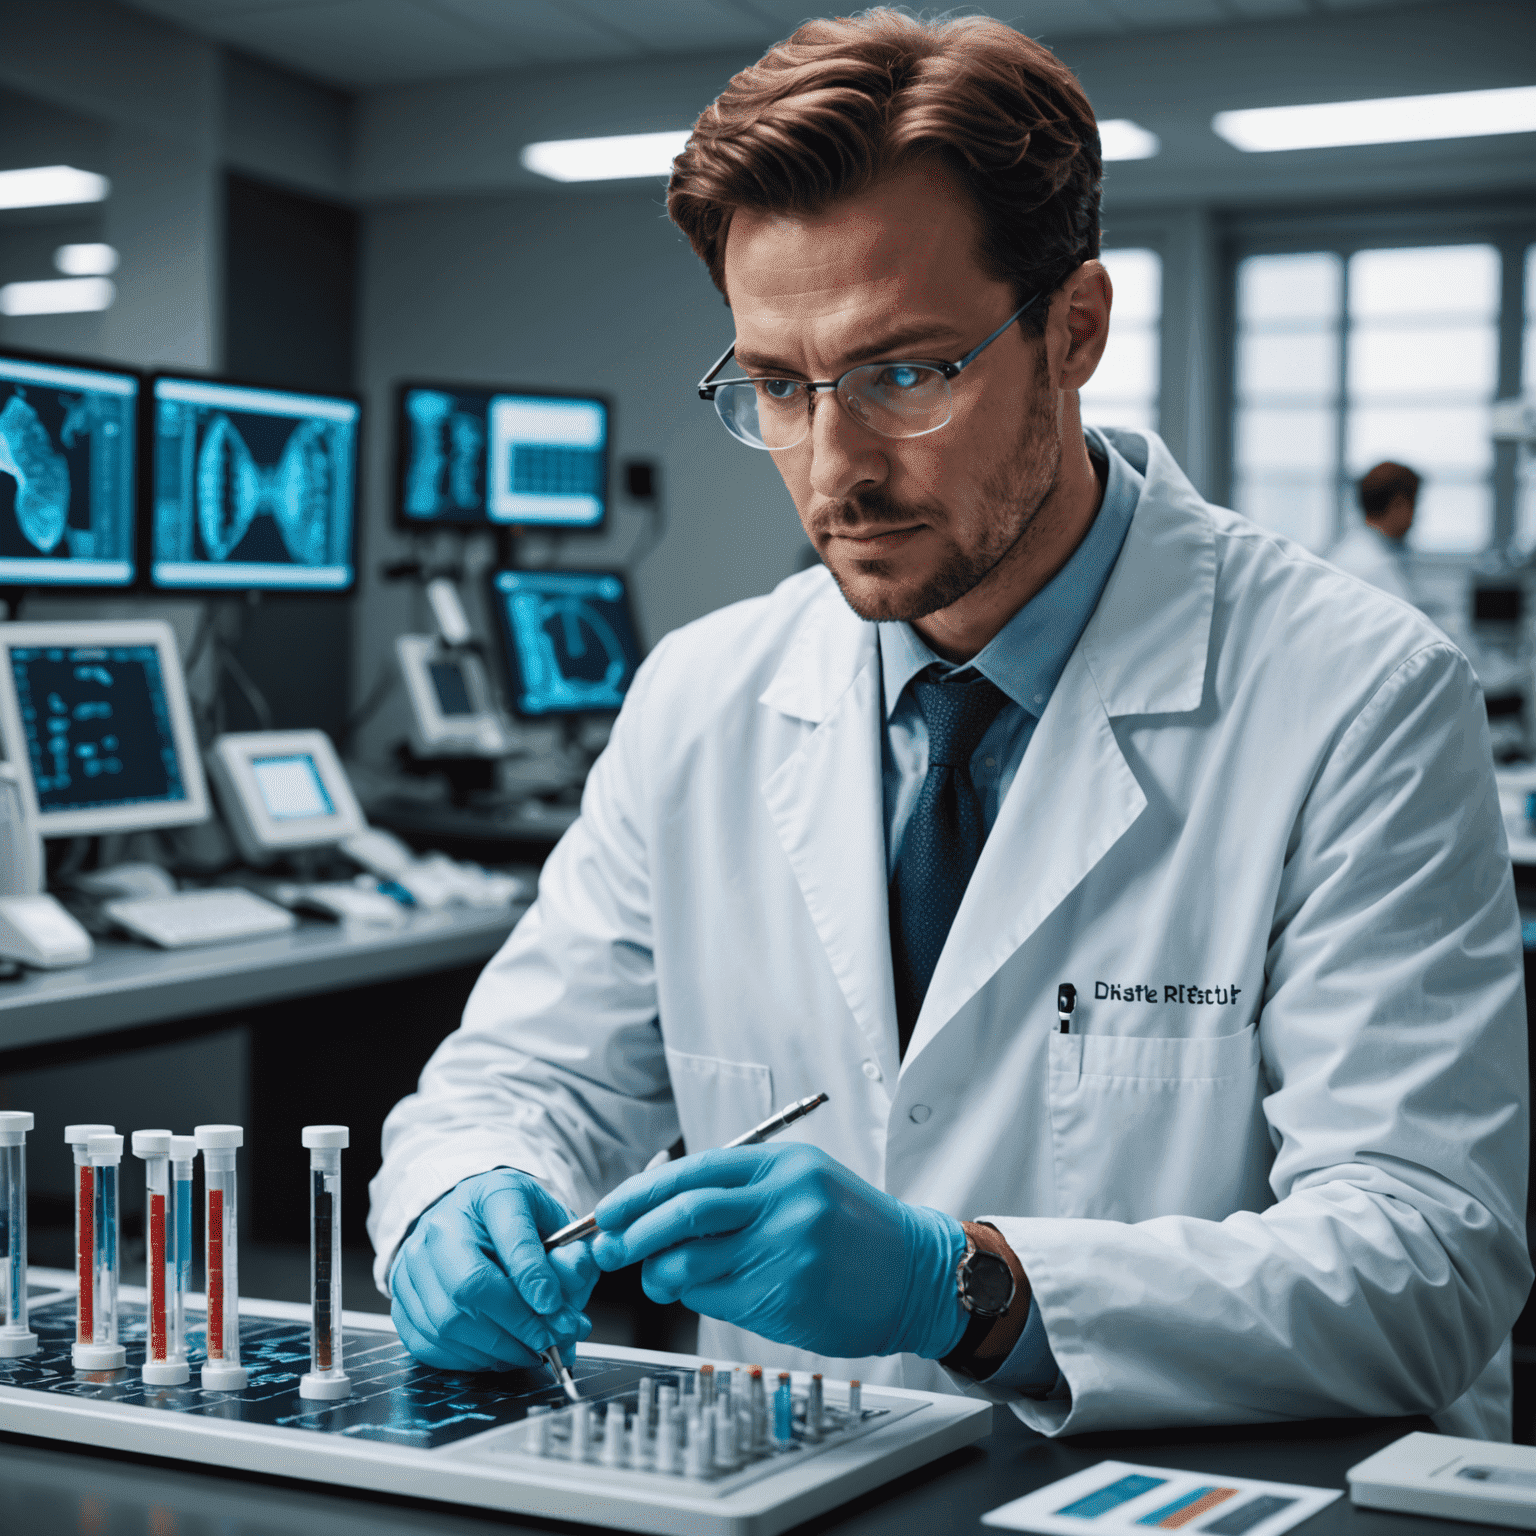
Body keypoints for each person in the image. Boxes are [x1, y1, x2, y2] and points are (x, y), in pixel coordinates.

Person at [369, 10, 1529, 1439]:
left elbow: (1430, 1258)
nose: (833, 467)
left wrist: (967, 1288)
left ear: (1074, 332)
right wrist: (465, 1195)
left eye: (905, 374)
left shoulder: (1359, 696)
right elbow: (522, 1077)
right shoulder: (704, 694)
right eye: (779, 387)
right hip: (780, 1475)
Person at [1327, 461, 1423, 606]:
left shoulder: (1350, 548)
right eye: (1413, 506)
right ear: (1398, 504)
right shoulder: (1375, 567)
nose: (1414, 517)